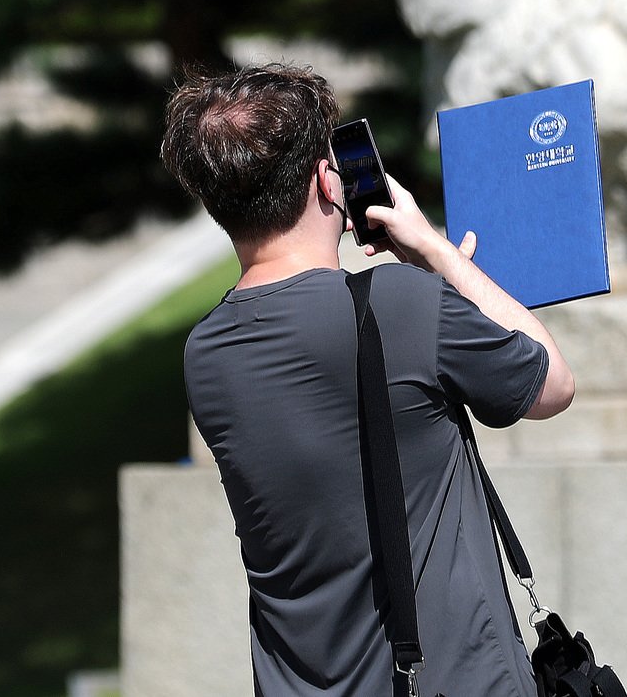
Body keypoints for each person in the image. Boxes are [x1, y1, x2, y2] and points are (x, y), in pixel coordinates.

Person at [160, 62, 574, 697]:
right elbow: (551, 386)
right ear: (331, 182)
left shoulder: (207, 352)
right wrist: (436, 256)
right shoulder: (402, 303)